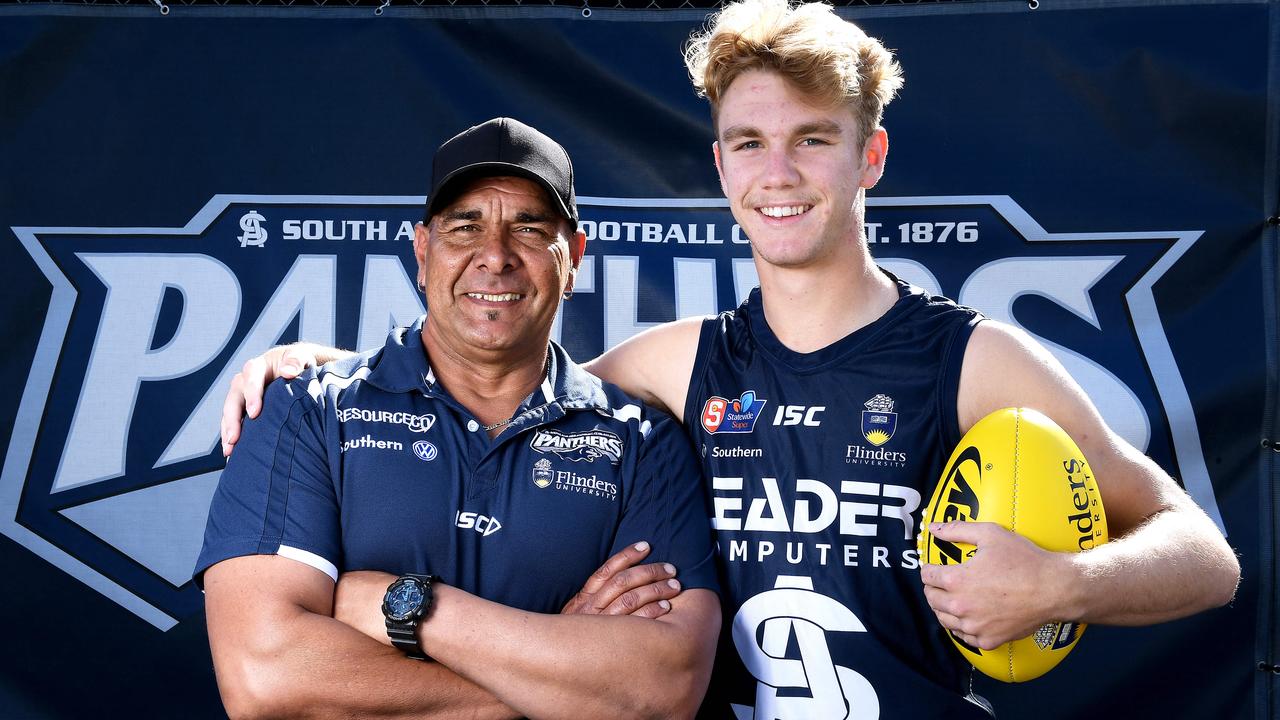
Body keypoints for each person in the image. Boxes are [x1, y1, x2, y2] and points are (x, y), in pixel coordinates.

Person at [221, 1, 1240, 716]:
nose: (778, 173)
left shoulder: (970, 360)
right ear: (717, 164)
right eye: (747, 142)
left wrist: (1062, 583)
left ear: (867, 156)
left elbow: (1203, 555)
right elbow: (492, 361)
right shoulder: (669, 368)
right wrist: (334, 367)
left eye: (811, 138)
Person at [196, 117, 721, 720]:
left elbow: (664, 688)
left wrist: (406, 607)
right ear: (423, 252)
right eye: (464, 226)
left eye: (528, 228)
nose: (494, 257)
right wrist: (559, 676)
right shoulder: (307, 410)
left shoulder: (642, 443)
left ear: (572, 258)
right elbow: (266, 674)